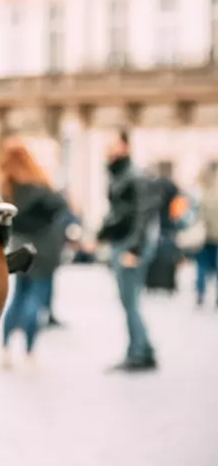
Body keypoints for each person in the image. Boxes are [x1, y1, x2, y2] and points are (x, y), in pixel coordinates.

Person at [0, 139, 71, 367]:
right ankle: (29, 352)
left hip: (19, 246)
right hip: (44, 247)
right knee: (35, 300)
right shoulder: (40, 184)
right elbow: (61, 205)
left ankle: (6, 349)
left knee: (18, 297)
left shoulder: (7, 188)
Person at [96, 129, 161, 371]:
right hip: (122, 241)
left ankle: (138, 352)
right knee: (129, 300)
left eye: (113, 144)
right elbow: (119, 212)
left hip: (129, 244)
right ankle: (144, 348)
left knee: (130, 300)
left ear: (125, 146)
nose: (109, 149)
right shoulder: (119, 173)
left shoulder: (133, 175)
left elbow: (143, 214)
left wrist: (135, 248)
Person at [145, 161, 181, 294]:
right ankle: (168, 284)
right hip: (169, 227)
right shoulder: (172, 190)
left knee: (154, 254)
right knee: (169, 255)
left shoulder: (153, 188)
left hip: (157, 226)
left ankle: (153, 283)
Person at [196, 162, 218, 308]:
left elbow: (199, 215)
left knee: (202, 267)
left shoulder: (202, 192)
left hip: (204, 236)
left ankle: (201, 294)